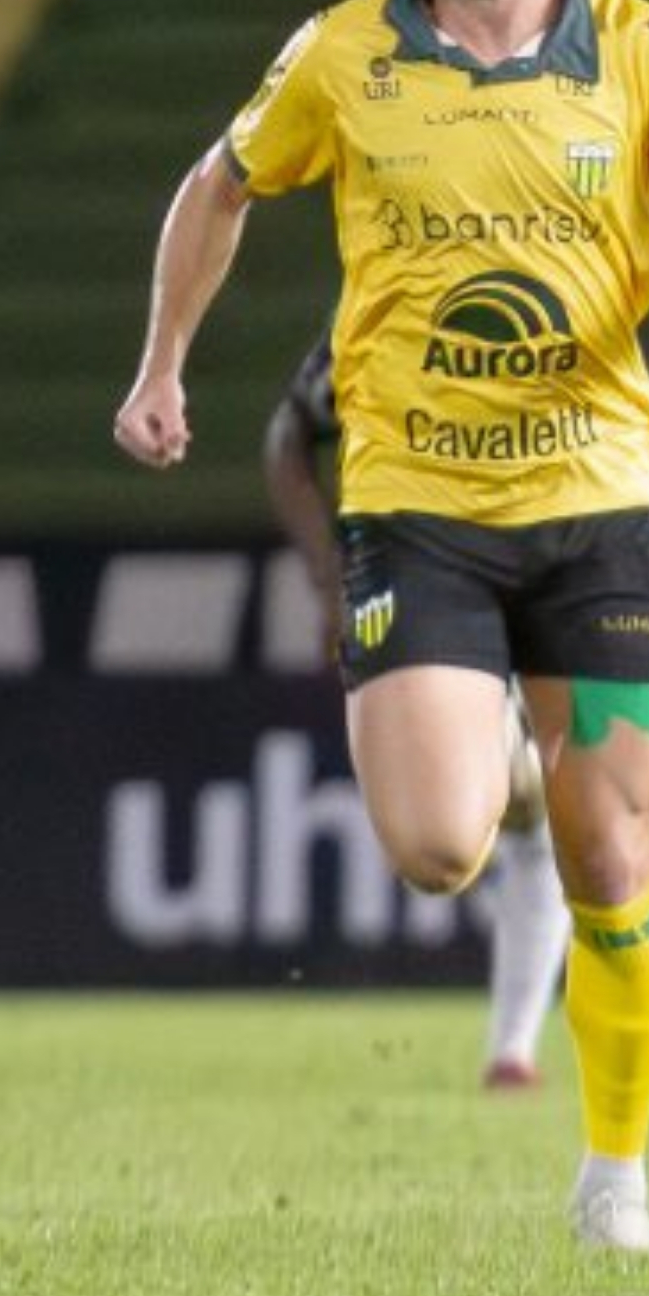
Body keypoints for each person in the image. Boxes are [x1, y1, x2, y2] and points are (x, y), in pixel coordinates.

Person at [112, 0, 649, 1258]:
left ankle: (613, 1178)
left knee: (615, 857)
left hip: (599, 495)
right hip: (416, 498)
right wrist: (162, 361)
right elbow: (219, 183)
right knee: (437, 847)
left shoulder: (643, 49)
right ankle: (494, 740)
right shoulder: (345, 53)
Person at [263, 330, 566, 1094]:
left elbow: (288, 437)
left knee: (545, 821)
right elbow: (288, 438)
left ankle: (513, 1048)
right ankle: (515, 1042)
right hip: (429, 574)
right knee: (508, 820)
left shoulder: (556, 287)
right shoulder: (385, 314)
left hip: (550, 566)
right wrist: (328, 577)